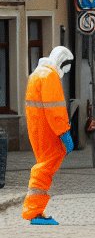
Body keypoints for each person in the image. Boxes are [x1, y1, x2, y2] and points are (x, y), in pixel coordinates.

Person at [22, 46, 75, 225]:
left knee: (43, 167)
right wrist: (64, 133)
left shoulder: (36, 75)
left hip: (37, 129)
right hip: (49, 131)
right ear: (62, 62)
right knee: (44, 169)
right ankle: (34, 211)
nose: (66, 71)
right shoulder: (49, 76)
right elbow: (55, 110)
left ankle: (37, 210)